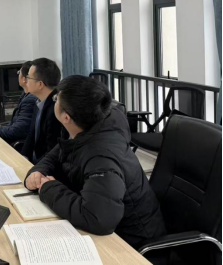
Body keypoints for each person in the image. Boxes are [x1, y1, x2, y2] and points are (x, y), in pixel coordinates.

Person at [25, 76, 166, 249]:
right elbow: (57, 153)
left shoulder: (102, 156)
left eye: (56, 99)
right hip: (110, 226)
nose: (54, 101)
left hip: (132, 245)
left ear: (66, 117)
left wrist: (49, 189)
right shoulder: (87, 124)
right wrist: (38, 171)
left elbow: (98, 219)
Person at [20, 58, 66, 162]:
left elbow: (52, 151)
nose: (25, 81)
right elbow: (31, 134)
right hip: (34, 161)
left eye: (28, 77)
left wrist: (33, 167)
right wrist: (22, 158)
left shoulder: (56, 109)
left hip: (44, 165)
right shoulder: (38, 101)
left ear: (40, 84)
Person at [0, 61, 37, 144]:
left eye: (19, 73)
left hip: (16, 142)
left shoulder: (30, 100)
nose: (18, 75)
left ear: (24, 79)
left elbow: (16, 131)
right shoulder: (25, 95)